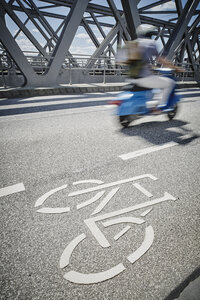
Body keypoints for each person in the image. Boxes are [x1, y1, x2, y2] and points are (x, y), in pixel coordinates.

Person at [127, 24, 183, 110]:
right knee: (169, 83)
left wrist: (148, 66)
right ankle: (159, 106)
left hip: (131, 78)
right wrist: (175, 68)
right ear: (149, 34)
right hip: (144, 79)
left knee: (154, 83)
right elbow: (160, 59)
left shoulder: (132, 43)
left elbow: (133, 61)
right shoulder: (150, 43)